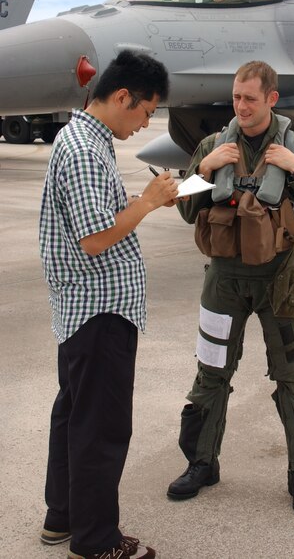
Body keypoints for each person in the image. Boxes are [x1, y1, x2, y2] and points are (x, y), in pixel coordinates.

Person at [167, 60, 294, 516]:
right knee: (211, 373)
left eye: (250, 98)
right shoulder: (211, 145)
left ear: (272, 100)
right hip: (223, 281)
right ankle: (201, 464)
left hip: (281, 281)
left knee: (292, 376)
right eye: (236, 97)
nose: (240, 106)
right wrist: (204, 168)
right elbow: (185, 210)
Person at [39, 50, 179, 559]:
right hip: (98, 312)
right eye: (146, 112)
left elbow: (98, 220)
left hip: (88, 309)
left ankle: (64, 518)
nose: (145, 124)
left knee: (75, 415)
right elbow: (95, 238)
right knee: (101, 427)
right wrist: (147, 202)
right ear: (123, 97)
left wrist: (145, 202)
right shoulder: (82, 148)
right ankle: (95, 541)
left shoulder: (85, 142)